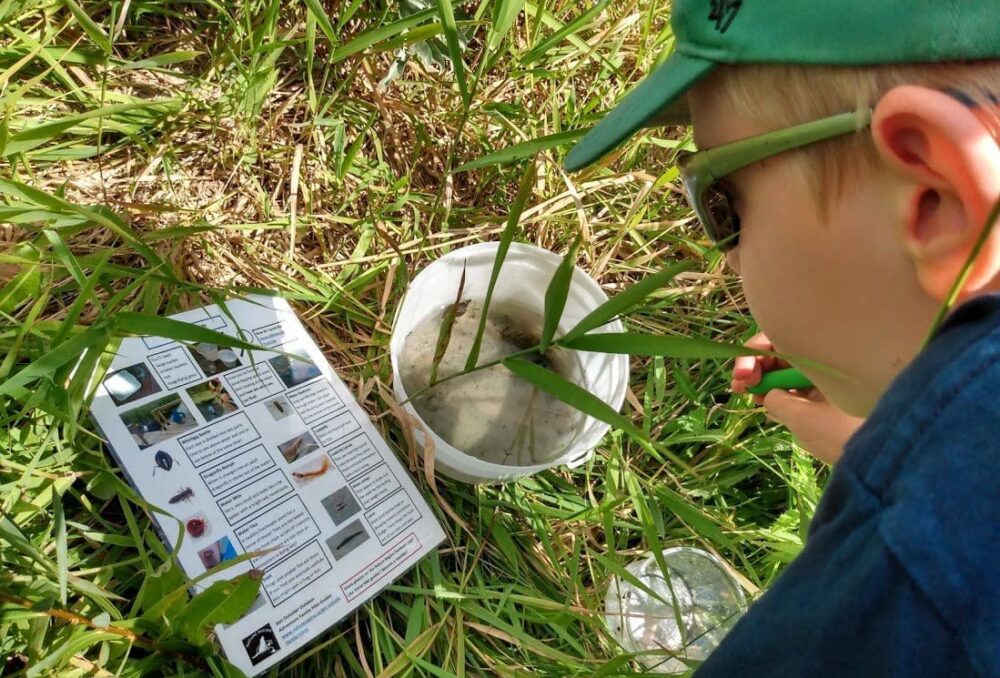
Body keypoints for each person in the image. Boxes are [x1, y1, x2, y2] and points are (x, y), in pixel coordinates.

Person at [566, 1, 999, 675]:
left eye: (720, 202)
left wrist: (891, 498)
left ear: (931, 196)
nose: (726, 258)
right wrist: (895, 447)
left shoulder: (898, 591)